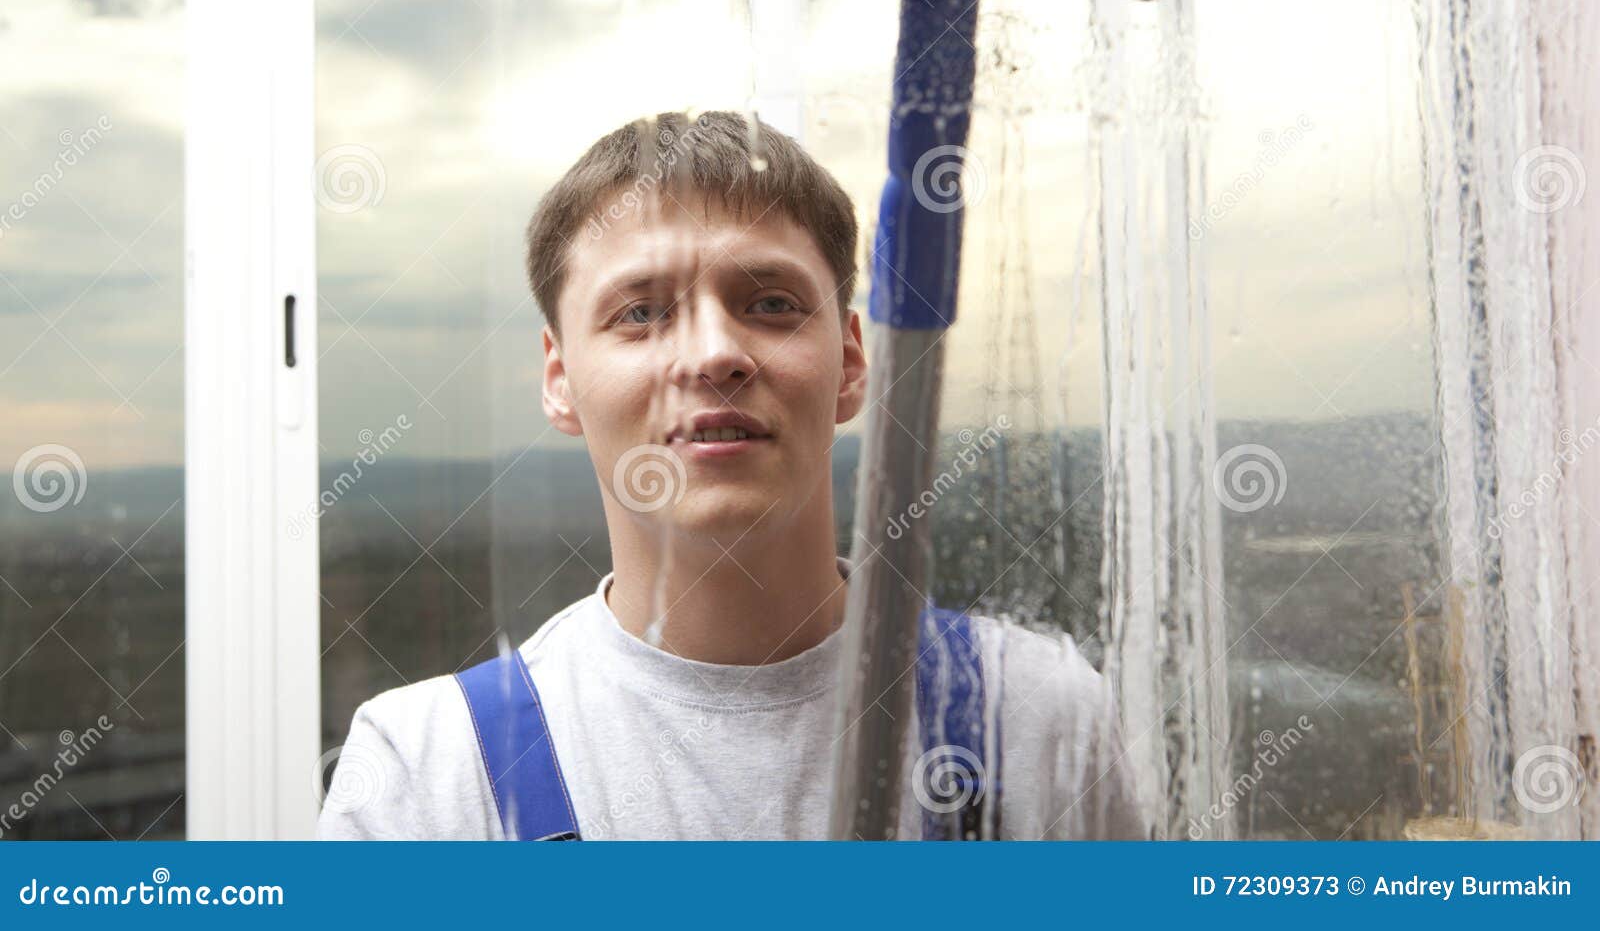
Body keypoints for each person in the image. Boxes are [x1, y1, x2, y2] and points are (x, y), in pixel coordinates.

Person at [316, 111, 1146, 840]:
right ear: (559, 378)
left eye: (772, 303)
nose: (714, 353)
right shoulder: (428, 771)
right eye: (640, 311)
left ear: (851, 362)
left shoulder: (1036, 717)